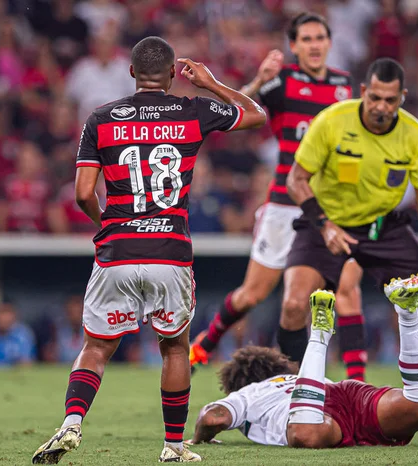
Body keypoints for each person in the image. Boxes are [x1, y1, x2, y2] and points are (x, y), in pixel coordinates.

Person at [31, 36, 266, 464]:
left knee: (97, 347)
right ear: (175, 73)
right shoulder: (194, 111)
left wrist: (107, 223)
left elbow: (83, 192)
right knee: (174, 347)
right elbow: (256, 115)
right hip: (169, 250)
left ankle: (71, 422)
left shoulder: (101, 118)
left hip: (118, 248)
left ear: (131, 72)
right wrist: (211, 83)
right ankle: (174, 447)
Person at [284, 57, 418, 392]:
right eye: (375, 97)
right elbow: (296, 180)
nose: (381, 107)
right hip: (326, 223)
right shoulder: (332, 121)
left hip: (383, 228)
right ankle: (288, 399)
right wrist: (324, 225)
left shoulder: (415, 135)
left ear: (402, 97)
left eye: (390, 100)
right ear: (363, 91)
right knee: (293, 305)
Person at [189, 12, 352, 369]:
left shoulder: (347, 88)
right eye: (305, 39)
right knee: (252, 295)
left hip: (323, 210)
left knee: (300, 303)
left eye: (319, 38)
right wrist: (258, 80)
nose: (313, 45)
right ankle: (205, 342)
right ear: (293, 46)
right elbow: (234, 111)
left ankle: (301, 384)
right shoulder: (282, 81)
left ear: (329, 43)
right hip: (282, 204)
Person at [189, 275, 418, 448]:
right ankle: (407, 314)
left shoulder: (247, 394)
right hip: (343, 393)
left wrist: (200, 438)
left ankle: (319, 334)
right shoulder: (291, 377)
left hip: (309, 412)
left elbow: (214, 417)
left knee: (305, 435)